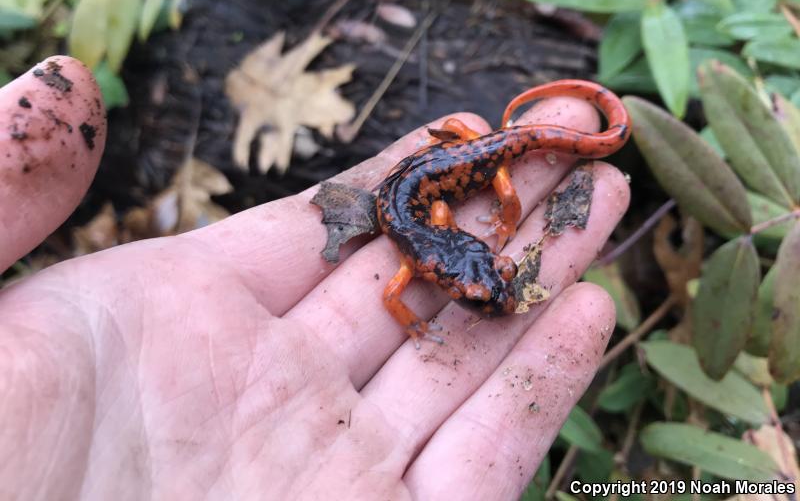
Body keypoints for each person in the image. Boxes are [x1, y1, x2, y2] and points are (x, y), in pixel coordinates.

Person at [0, 56, 629, 500]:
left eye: (475, 281)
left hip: (448, 170)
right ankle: (586, 123)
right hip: (445, 175)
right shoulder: (423, 245)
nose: (472, 294)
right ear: (437, 266)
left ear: (450, 251)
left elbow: (417, 250)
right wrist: (414, 327)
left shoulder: (424, 243)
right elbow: (397, 289)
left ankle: (598, 123)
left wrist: (456, 252)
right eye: (465, 291)